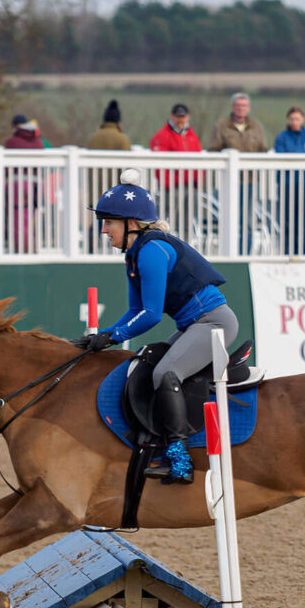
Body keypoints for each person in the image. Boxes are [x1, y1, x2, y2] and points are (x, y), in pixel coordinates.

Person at [73, 172, 237, 484]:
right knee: (150, 366)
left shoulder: (150, 251)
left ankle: (180, 459)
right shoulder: (135, 254)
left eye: (109, 222)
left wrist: (113, 336)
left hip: (214, 323)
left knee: (165, 374)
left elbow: (150, 316)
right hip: (196, 324)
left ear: (131, 223)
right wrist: (101, 336)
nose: (103, 229)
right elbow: (135, 311)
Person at [207, 92, 268, 254]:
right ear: (233, 107)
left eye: (244, 106)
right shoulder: (221, 125)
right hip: (227, 182)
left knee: (247, 221)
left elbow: (263, 151)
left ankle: (244, 253)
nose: (241, 109)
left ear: (248, 108)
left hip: (249, 180)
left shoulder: (257, 127)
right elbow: (213, 149)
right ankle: (228, 253)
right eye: (238, 106)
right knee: (229, 219)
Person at [273, 106, 305, 255]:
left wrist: (293, 155)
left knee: (304, 220)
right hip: (287, 184)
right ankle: (287, 251)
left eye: (298, 119)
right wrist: (301, 155)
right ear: (288, 120)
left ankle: (303, 251)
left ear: (303, 119)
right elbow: (280, 156)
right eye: (292, 119)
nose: (295, 121)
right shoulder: (282, 136)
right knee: (287, 220)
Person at [3, 115, 43, 251]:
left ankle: (20, 248)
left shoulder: (11, 142)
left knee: (16, 218)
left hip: (16, 183)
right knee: (30, 216)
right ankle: (32, 246)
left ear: (15, 126)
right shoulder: (39, 142)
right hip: (36, 184)